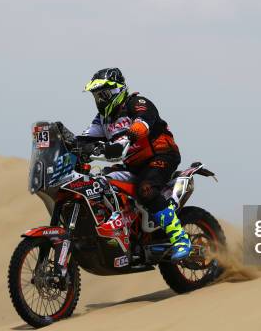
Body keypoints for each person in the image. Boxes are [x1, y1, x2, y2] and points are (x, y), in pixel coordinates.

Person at [75, 68, 191, 261]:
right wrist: (71, 145)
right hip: (134, 165)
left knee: (146, 189)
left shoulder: (138, 103)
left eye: (102, 94)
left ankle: (180, 239)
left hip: (161, 155)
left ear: (115, 91)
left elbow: (143, 122)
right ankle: (126, 231)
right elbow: (86, 138)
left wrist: (129, 135)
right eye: (96, 96)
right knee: (102, 184)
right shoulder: (102, 119)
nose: (99, 100)